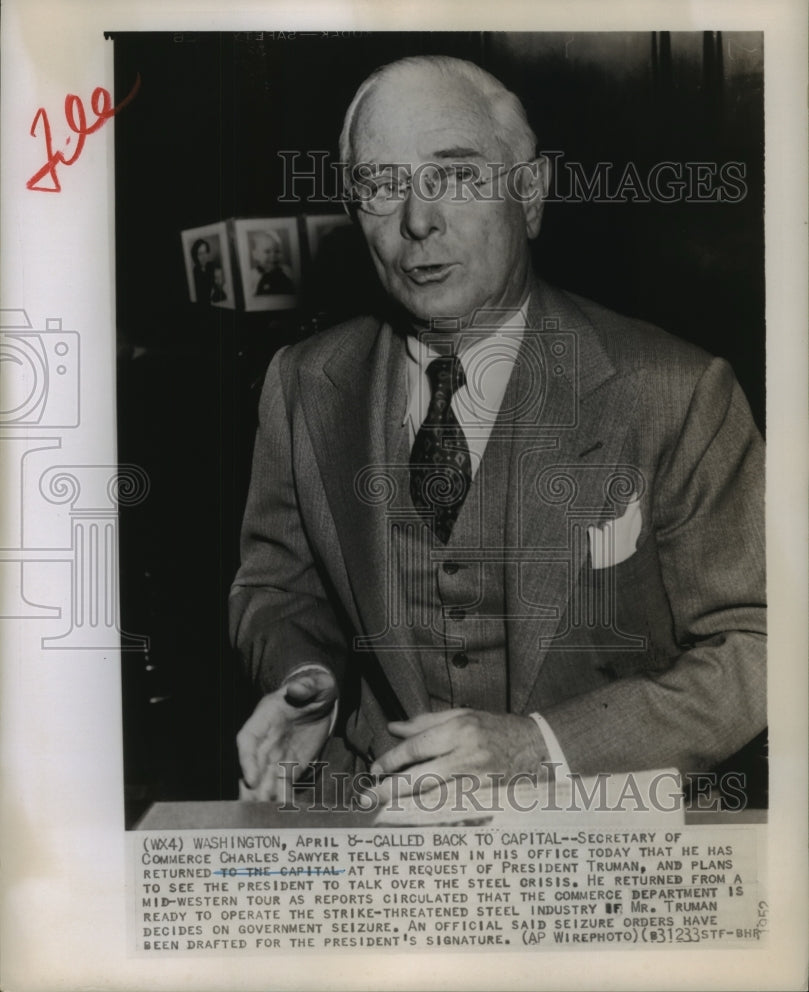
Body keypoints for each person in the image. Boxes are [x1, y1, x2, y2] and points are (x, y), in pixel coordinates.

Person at [229, 55, 766, 805]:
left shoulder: (675, 390)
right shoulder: (304, 383)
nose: (417, 220)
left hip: (604, 837)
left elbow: (761, 648)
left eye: (453, 174)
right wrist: (303, 677)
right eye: (381, 185)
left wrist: (542, 747)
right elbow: (277, 587)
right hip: (382, 827)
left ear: (531, 194)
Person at [249, 230, 295, 296]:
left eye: (277, 251)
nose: (273, 256)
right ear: (255, 255)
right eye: (267, 251)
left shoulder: (288, 272)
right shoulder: (252, 276)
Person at [190, 237, 213, 305]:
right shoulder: (194, 273)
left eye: (205, 252)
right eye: (200, 254)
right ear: (195, 256)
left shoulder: (212, 266)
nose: (204, 256)